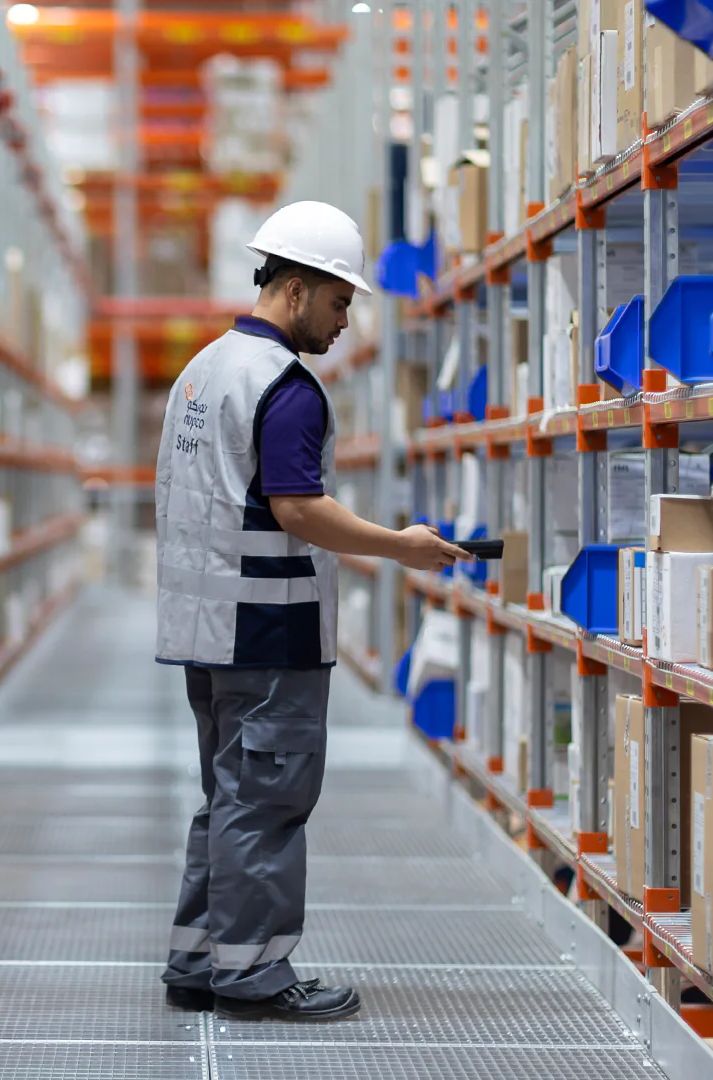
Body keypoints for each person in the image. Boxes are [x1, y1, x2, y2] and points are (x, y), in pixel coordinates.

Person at [153, 201, 469, 1022]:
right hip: (269, 633)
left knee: (228, 797)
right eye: (338, 303)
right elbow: (298, 509)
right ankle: (253, 974)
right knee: (268, 799)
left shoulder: (204, 369)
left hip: (206, 629)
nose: (344, 323)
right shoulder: (287, 388)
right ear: (295, 290)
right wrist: (400, 545)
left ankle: (198, 960)